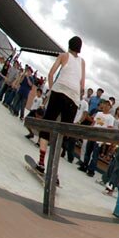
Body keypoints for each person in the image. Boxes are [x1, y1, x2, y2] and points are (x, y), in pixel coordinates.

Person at [34, 36, 86, 185]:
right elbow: (82, 85)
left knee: (47, 125)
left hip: (59, 91)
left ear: (69, 45)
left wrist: (51, 89)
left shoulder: (63, 56)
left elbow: (51, 74)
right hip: (73, 97)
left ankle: (42, 163)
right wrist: (77, 97)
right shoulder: (82, 62)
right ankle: (54, 172)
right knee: (61, 133)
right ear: (80, 48)